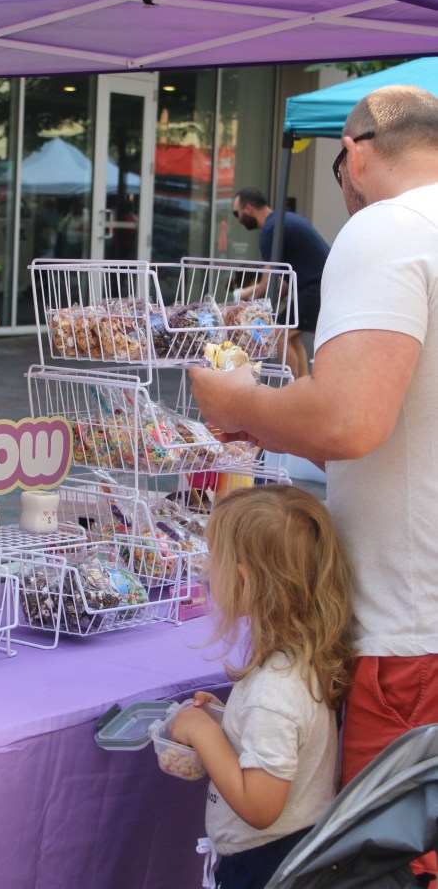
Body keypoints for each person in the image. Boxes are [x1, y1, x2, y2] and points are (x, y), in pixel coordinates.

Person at [191, 84, 438, 887]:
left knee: (384, 869)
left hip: (410, 638)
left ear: (355, 155)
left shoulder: (388, 227)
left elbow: (348, 422)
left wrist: (236, 403)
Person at [170, 484, 352, 889]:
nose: (206, 568)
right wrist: (228, 721)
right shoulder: (298, 660)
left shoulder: (273, 691)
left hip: (266, 866)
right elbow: (283, 742)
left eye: (214, 557)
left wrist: (203, 734)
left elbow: (260, 806)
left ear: (243, 579)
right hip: (291, 854)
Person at [232, 187, 329, 378]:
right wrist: (268, 298)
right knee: (289, 336)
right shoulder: (282, 220)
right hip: (319, 284)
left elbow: (269, 278)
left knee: (278, 335)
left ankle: (297, 386)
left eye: (237, 213)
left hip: (314, 287)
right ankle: (302, 383)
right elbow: (283, 280)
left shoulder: (271, 230)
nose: (238, 219)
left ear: (249, 208)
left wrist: (248, 306)